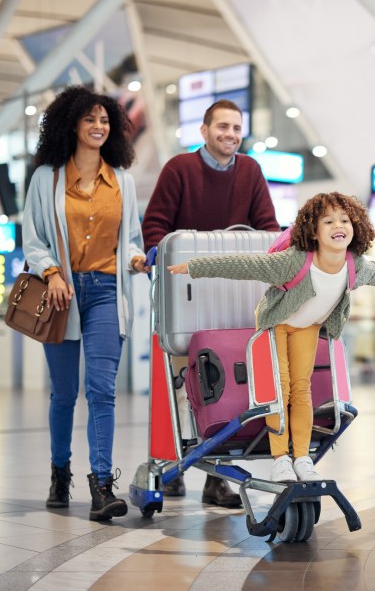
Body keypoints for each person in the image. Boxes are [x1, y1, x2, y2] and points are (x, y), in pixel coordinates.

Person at [168, 192, 375, 482]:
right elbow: (244, 266)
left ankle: (301, 457)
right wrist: (194, 267)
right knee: (279, 388)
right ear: (313, 232)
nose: (338, 225)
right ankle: (280, 460)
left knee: (302, 389)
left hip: (308, 326)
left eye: (344, 220)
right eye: (328, 221)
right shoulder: (294, 261)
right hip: (277, 323)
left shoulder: (356, 266)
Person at [142, 98, 279, 507]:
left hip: (232, 295)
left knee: (222, 384)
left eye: (236, 128)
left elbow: (268, 228)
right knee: (182, 385)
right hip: (185, 295)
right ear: (204, 131)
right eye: (222, 127)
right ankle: (168, 461)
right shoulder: (179, 170)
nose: (230, 135)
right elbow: (154, 226)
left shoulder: (251, 171)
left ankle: (213, 476)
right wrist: (154, 253)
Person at [22, 85, 148, 521]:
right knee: (64, 394)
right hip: (61, 294)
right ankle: (60, 472)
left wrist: (135, 256)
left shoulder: (123, 181)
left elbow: (131, 236)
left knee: (102, 391)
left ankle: (101, 487)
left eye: (105, 120)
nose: (98, 126)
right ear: (71, 124)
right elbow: (34, 238)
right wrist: (51, 272)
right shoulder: (47, 178)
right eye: (90, 119)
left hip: (107, 293)